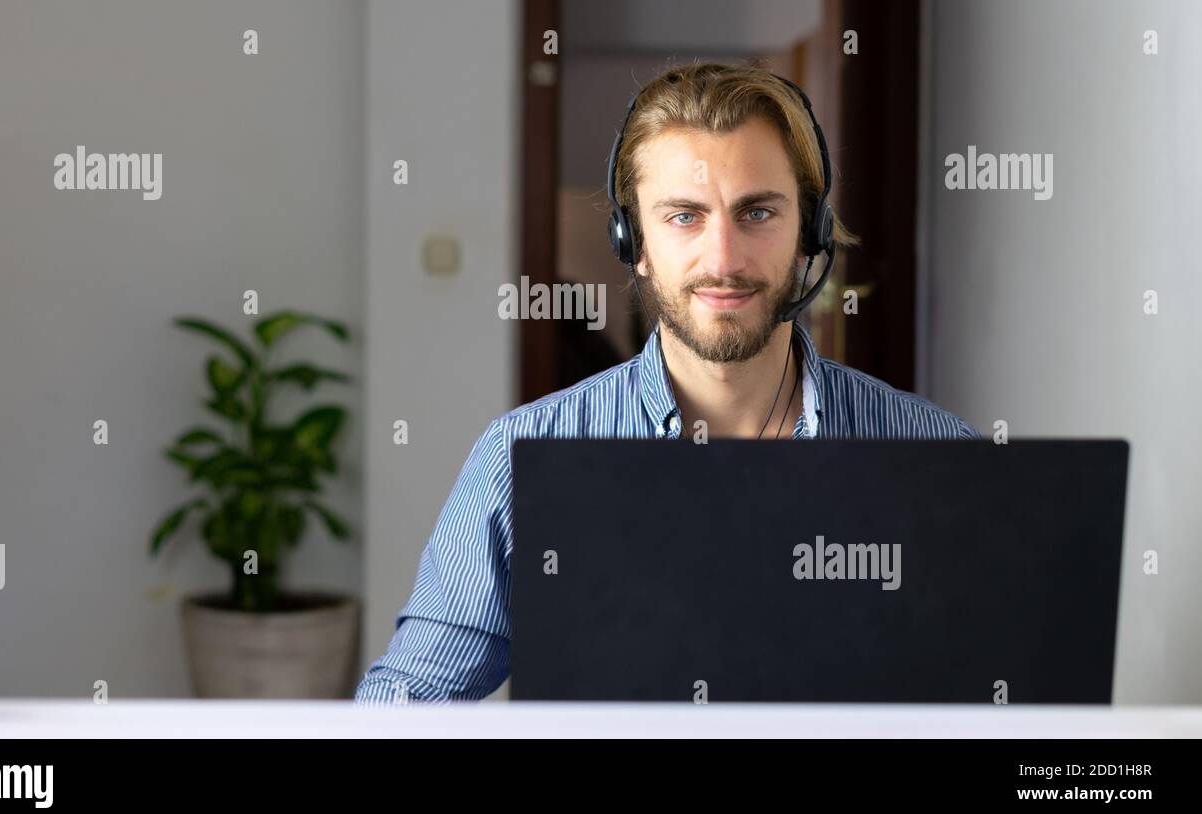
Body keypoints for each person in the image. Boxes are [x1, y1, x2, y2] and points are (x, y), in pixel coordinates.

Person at [355, 61, 979, 703]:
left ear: (809, 235)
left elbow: (1008, 702)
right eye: (684, 216)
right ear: (635, 243)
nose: (724, 260)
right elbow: (407, 702)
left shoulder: (938, 454)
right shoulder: (522, 457)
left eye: (757, 212)